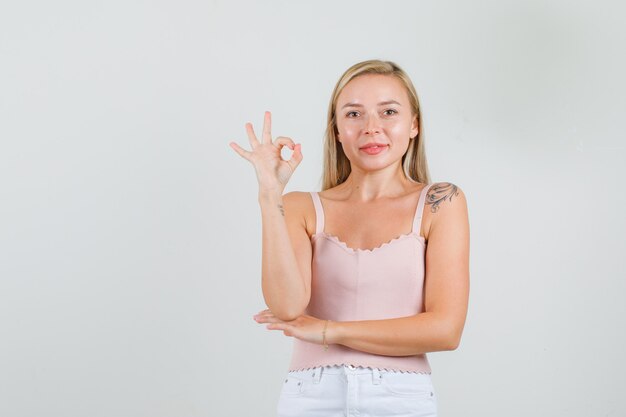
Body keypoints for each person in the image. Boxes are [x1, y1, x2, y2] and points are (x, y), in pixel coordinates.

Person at [229, 59, 470, 417]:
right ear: (338, 131)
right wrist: (269, 194)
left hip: (401, 397)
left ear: (414, 124)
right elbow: (287, 307)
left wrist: (329, 331)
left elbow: (445, 330)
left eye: (388, 112)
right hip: (309, 397)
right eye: (354, 115)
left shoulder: (440, 202)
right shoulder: (301, 208)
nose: (372, 128)